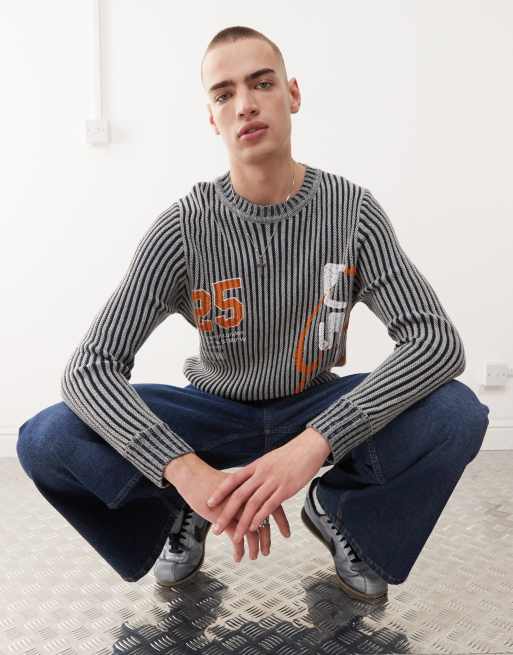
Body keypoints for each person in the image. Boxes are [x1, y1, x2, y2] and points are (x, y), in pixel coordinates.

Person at [16, 25, 490, 603]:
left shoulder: (352, 213)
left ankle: (342, 511)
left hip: (313, 403)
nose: (245, 104)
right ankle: (175, 512)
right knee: (47, 437)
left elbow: (435, 341)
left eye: (261, 84)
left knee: (456, 413)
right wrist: (185, 471)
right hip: (212, 411)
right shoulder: (183, 228)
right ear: (212, 118)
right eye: (224, 94)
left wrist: (315, 444)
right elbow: (89, 368)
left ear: (292, 94)